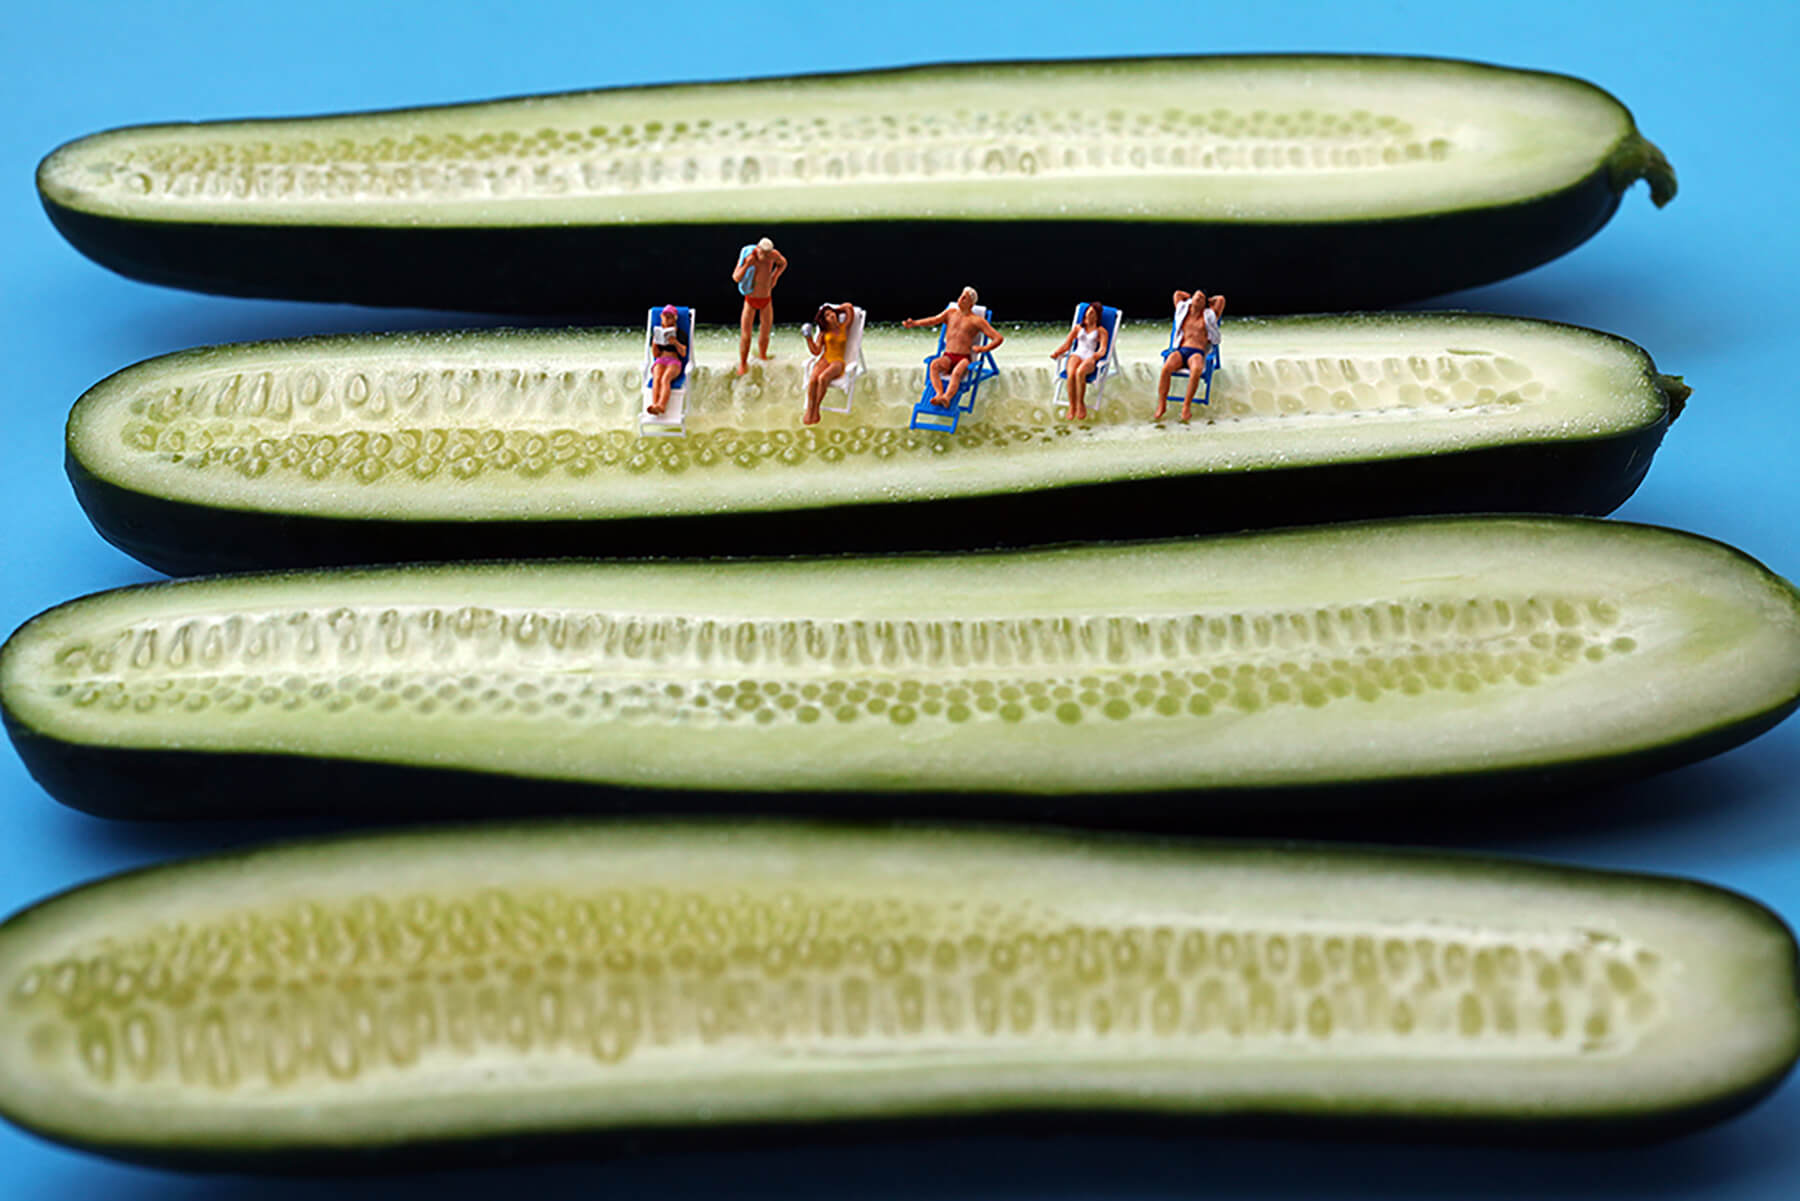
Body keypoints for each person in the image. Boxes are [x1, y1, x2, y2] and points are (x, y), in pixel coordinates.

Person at [902, 286, 1005, 407]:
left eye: (965, 298)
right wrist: (914, 323)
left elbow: (998, 338)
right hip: (948, 357)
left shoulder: (976, 320)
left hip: (963, 359)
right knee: (934, 365)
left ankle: (947, 397)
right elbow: (933, 320)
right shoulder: (950, 313)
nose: (960, 299)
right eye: (961, 296)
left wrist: (983, 349)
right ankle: (939, 394)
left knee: (956, 373)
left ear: (971, 304)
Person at [1154, 289, 1227, 423]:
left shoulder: (1208, 316)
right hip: (1181, 350)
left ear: (1205, 304)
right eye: (1196, 297)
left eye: (1201, 299)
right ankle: (1162, 404)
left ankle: (1186, 406)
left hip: (1197, 352)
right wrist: (1191, 297)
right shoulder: (1183, 311)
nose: (1198, 299)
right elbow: (1177, 294)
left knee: (1197, 369)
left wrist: (1209, 300)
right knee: (1166, 368)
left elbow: (1221, 299)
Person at [732, 237, 787, 375]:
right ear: (758, 249)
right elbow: (736, 277)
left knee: (765, 331)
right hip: (750, 300)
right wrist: (746, 266)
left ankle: (762, 356)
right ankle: (743, 363)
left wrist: (775, 276)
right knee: (746, 334)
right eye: (764, 253)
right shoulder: (750, 257)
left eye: (768, 254)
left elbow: (783, 263)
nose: (766, 257)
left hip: (766, 299)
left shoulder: (773, 255)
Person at [1049, 302, 1110, 421]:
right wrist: (1057, 352)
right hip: (1077, 354)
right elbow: (1067, 345)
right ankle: (1072, 406)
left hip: (1090, 356)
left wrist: (1095, 356)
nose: (1089, 314)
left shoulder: (1101, 331)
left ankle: (1080, 403)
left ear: (1097, 315)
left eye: (1092, 312)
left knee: (1080, 372)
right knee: (1071, 373)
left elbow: (1103, 349)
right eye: (1088, 311)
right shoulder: (1078, 328)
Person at [802, 302, 856, 425]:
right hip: (825, 359)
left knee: (823, 378)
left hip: (837, 361)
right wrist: (809, 339)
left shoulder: (844, 327)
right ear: (824, 321)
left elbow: (849, 308)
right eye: (827, 315)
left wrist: (834, 308)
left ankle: (816, 408)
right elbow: (816, 351)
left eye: (831, 313)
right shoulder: (824, 333)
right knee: (812, 380)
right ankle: (809, 411)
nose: (831, 315)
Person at [647, 305, 686, 415]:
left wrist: (675, 342)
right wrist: (654, 344)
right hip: (660, 360)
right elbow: (656, 354)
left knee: (665, 378)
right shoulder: (657, 332)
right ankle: (654, 405)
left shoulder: (680, 333)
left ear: (675, 318)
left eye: (670, 317)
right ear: (661, 317)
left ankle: (662, 405)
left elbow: (683, 353)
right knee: (657, 378)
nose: (667, 319)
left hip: (674, 361)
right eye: (665, 317)